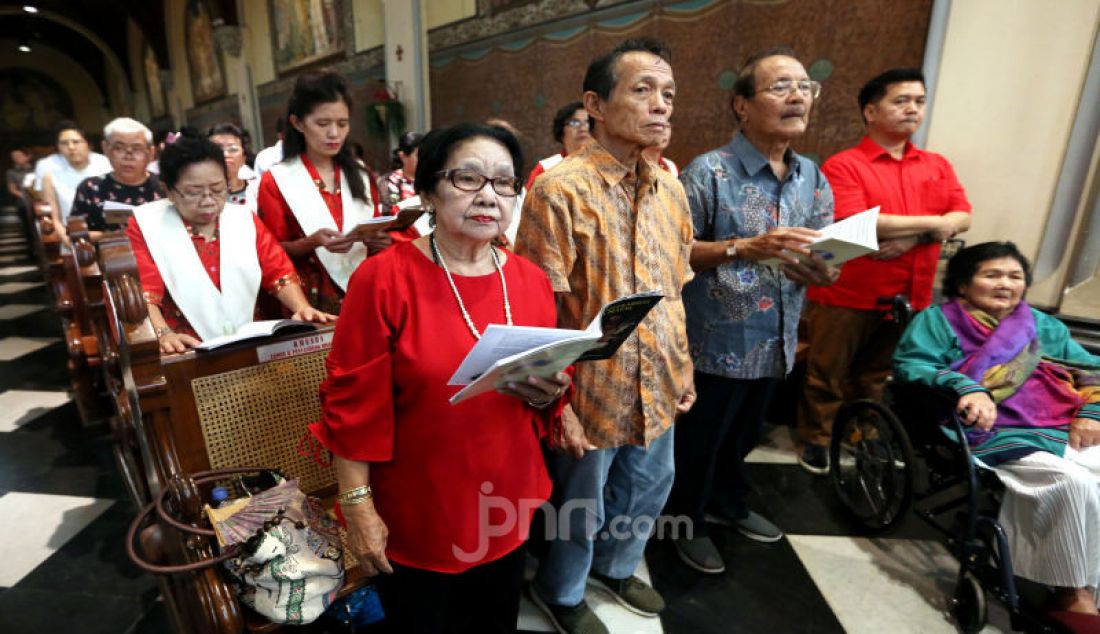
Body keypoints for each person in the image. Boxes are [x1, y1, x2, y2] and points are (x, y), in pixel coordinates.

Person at [308, 123, 573, 633]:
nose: (488, 196)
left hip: (505, 498)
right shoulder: (384, 279)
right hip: (420, 505)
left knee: (495, 620)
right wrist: (358, 507)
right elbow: (352, 404)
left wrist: (549, 393)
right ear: (428, 191)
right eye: (468, 179)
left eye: (503, 182)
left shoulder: (530, 280)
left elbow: (537, 384)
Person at [517, 38, 696, 634]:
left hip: (660, 374)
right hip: (592, 383)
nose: (660, 106)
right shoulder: (559, 189)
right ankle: (562, 591)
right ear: (595, 103)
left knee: (651, 483)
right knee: (581, 501)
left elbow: (676, 285)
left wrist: (685, 364)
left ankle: (619, 567)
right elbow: (540, 307)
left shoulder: (671, 188)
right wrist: (558, 399)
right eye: (642, 91)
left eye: (667, 94)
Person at [666, 46, 838, 574]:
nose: (797, 96)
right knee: (700, 440)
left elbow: (829, 251)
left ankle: (728, 503)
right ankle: (684, 522)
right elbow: (673, 251)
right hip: (714, 341)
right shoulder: (709, 172)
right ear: (742, 105)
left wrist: (826, 269)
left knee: (745, 435)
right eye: (780, 86)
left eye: (805, 86)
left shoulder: (813, 175)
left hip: (778, 335)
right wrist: (745, 247)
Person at [893, 241, 1100, 632]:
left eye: (1015, 276)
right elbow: (912, 364)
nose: (1005, 283)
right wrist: (966, 387)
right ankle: (1072, 593)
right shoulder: (939, 321)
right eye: (992, 274)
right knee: (1069, 481)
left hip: (1060, 418)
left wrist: (1092, 410)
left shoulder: (1044, 325)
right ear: (964, 284)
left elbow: (1089, 368)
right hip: (993, 427)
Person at [797, 68, 973, 475]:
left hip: (911, 292)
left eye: (919, 101)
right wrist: (934, 225)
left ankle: (863, 435)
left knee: (877, 375)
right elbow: (863, 222)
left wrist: (915, 236)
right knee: (828, 372)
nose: (913, 109)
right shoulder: (846, 165)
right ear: (871, 111)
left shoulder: (936, 164)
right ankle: (816, 439)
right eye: (901, 100)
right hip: (848, 290)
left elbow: (961, 215)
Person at [126, 135, 334, 354]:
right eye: (194, 192)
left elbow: (278, 271)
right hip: (185, 346)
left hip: (249, 341)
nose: (208, 200)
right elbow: (145, 289)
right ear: (168, 190)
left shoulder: (243, 218)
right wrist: (163, 333)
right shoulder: (147, 223)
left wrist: (302, 308)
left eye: (217, 189)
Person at [257, 71, 409, 315]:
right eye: (323, 124)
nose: (334, 134)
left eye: (342, 123)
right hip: (310, 304)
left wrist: (381, 240)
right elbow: (272, 252)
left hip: (364, 292)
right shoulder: (276, 180)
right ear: (297, 123)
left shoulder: (360, 173)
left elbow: (376, 225)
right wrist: (313, 242)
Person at [69, 117, 163, 241]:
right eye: (119, 148)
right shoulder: (90, 189)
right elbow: (76, 235)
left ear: (151, 153)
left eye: (137, 149)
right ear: (106, 149)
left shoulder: (166, 186)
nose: (128, 157)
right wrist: (120, 237)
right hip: (108, 257)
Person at [39, 120, 111, 232]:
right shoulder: (50, 176)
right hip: (72, 235)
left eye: (76, 142)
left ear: (89, 144)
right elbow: (54, 220)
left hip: (111, 234)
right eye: (64, 143)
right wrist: (68, 240)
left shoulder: (106, 165)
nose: (71, 147)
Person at [524, 101, 591, 191]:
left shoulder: (607, 166)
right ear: (561, 132)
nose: (583, 128)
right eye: (574, 123)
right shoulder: (546, 168)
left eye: (588, 123)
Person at [207, 122, 259, 211]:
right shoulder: (199, 195)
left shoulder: (257, 190)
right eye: (218, 149)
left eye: (233, 149)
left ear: (244, 157)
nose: (225, 154)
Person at [378, 131, 422, 210]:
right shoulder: (389, 182)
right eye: (418, 155)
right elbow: (388, 213)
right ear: (403, 156)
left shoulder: (430, 180)